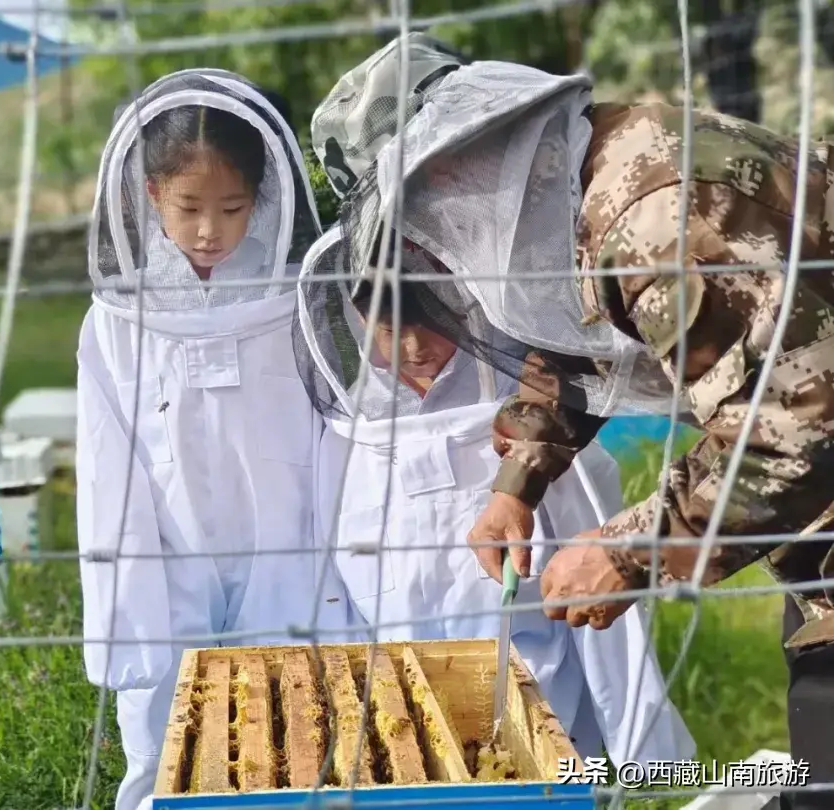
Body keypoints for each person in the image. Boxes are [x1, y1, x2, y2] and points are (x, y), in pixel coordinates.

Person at [313, 35, 834, 809]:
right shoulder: (589, 190)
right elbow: (588, 344)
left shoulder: (655, 220)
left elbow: (793, 430)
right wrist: (518, 482)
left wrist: (625, 553)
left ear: (450, 172)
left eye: (425, 220)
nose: (437, 247)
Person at [294, 224, 694, 769]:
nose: (415, 348)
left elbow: (607, 615)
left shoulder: (531, 424)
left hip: (537, 700)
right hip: (393, 713)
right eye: (390, 330)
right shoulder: (347, 438)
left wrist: (641, 750)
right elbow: (332, 592)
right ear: (359, 321)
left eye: (432, 323)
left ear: (463, 303)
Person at [76, 71, 356, 810]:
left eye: (232, 208)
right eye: (189, 208)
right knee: (166, 735)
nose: (209, 231)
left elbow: (338, 422)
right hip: (170, 552)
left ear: (264, 198)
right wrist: (122, 601)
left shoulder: (296, 297)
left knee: (297, 718)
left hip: (286, 538)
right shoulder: (115, 320)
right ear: (147, 198)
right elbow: (106, 466)